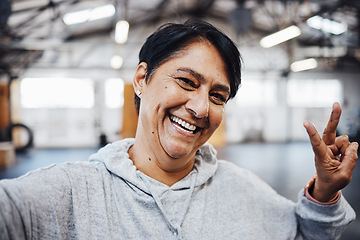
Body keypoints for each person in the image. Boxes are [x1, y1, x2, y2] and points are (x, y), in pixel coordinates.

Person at [0, 19, 358, 240]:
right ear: (142, 79)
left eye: (218, 96)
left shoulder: (242, 189)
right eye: (187, 81)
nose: (201, 108)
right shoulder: (66, 195)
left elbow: (305, 234)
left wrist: (324, 193)